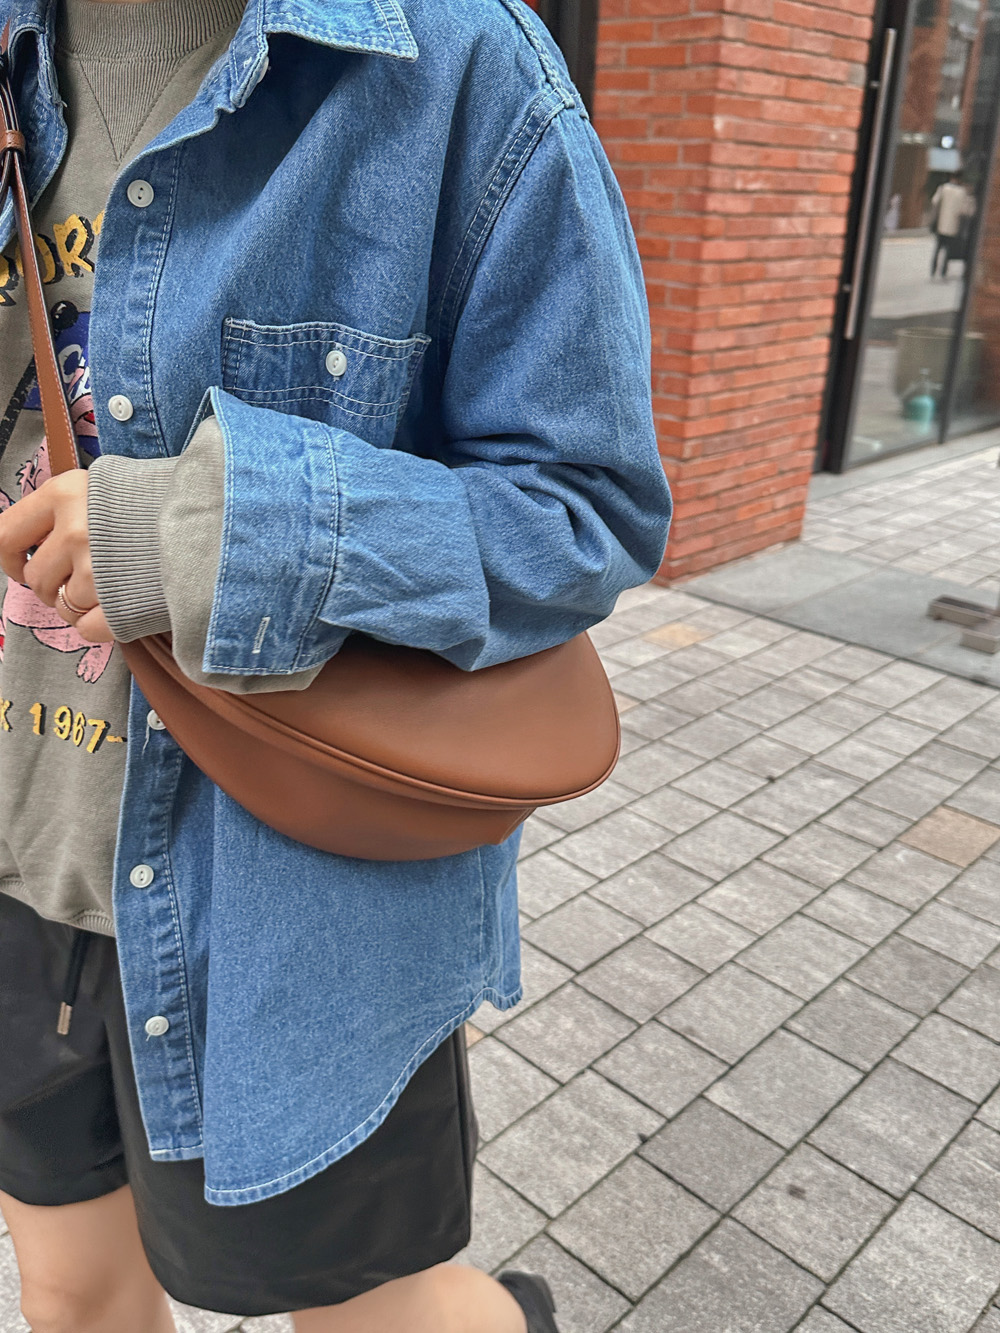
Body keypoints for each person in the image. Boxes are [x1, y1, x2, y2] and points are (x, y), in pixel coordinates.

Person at [0, 0, 672, 1330]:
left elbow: (582, 512)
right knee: (71, 1299)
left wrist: (199, 532)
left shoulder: (454, 66)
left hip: (287, 907)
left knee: (372, 1316)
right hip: (21, 857)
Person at [930, 171, 975, 278]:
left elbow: (934, 201)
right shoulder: (962, 192)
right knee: (948, 250)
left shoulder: (943, 188)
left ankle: (933, 269)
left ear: (951, 177)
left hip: (941, 224)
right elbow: (966, 210)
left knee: (937, 248)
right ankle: (943, 271)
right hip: (953, 226)